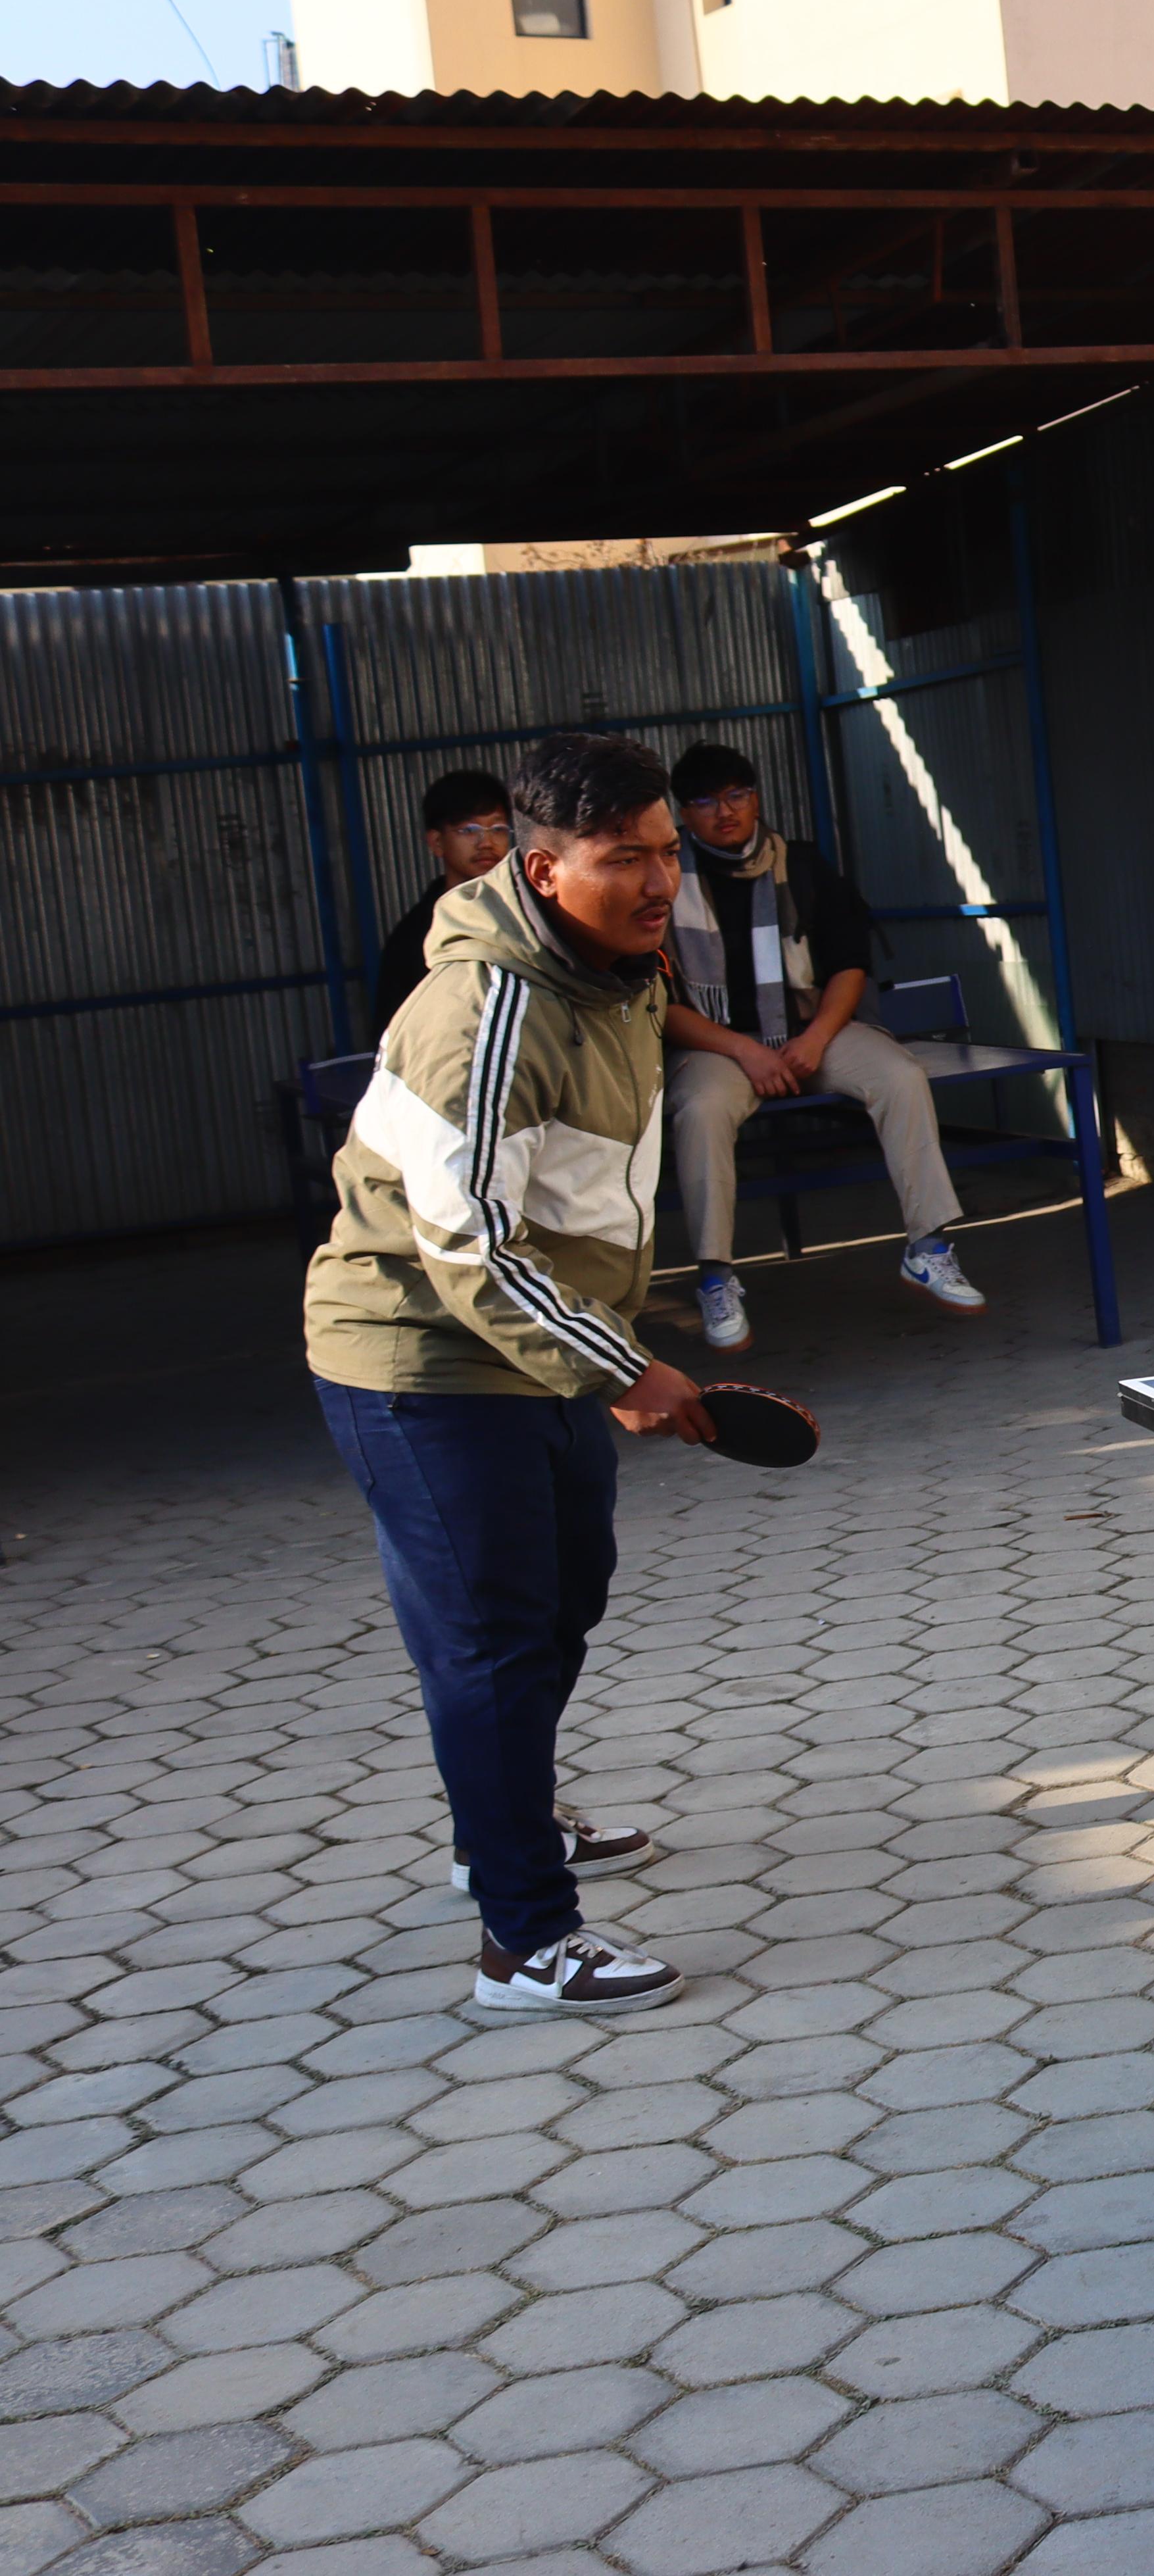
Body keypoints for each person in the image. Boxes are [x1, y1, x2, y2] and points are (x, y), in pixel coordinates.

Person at [306, 732, 715, 2016]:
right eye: (624, 859)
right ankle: (524, 1940)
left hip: (538, 1344)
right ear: (543, 871)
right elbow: (469, 1245)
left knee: (563, 1597)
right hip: (422, 1354)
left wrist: (601, 1349)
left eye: (667, 852)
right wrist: (627, 1367)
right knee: (490, 1640)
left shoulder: (620, 970)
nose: (661, 881)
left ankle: (504, 1825)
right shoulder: (486, 1011)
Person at [656, 741, 983, 1350]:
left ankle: (928, 1246)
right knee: (700, 1109)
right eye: (705, 802)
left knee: (900, 1076)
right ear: (683, 812)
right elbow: (658, 1001)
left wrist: (814, 1040)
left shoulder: (801, 866)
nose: (725, 811)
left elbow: (849, 966)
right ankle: (716, 1277)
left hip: (812, 1031)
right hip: (717, 1045)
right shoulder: (663, 880)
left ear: (756, 799)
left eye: (737, 795)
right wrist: (746, 1051)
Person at [373, 769, 514, 1027]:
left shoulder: (531, 915)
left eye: (498, 828)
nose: (486, 842)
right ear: (437, 842)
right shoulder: (415, 937)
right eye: (468, 830)